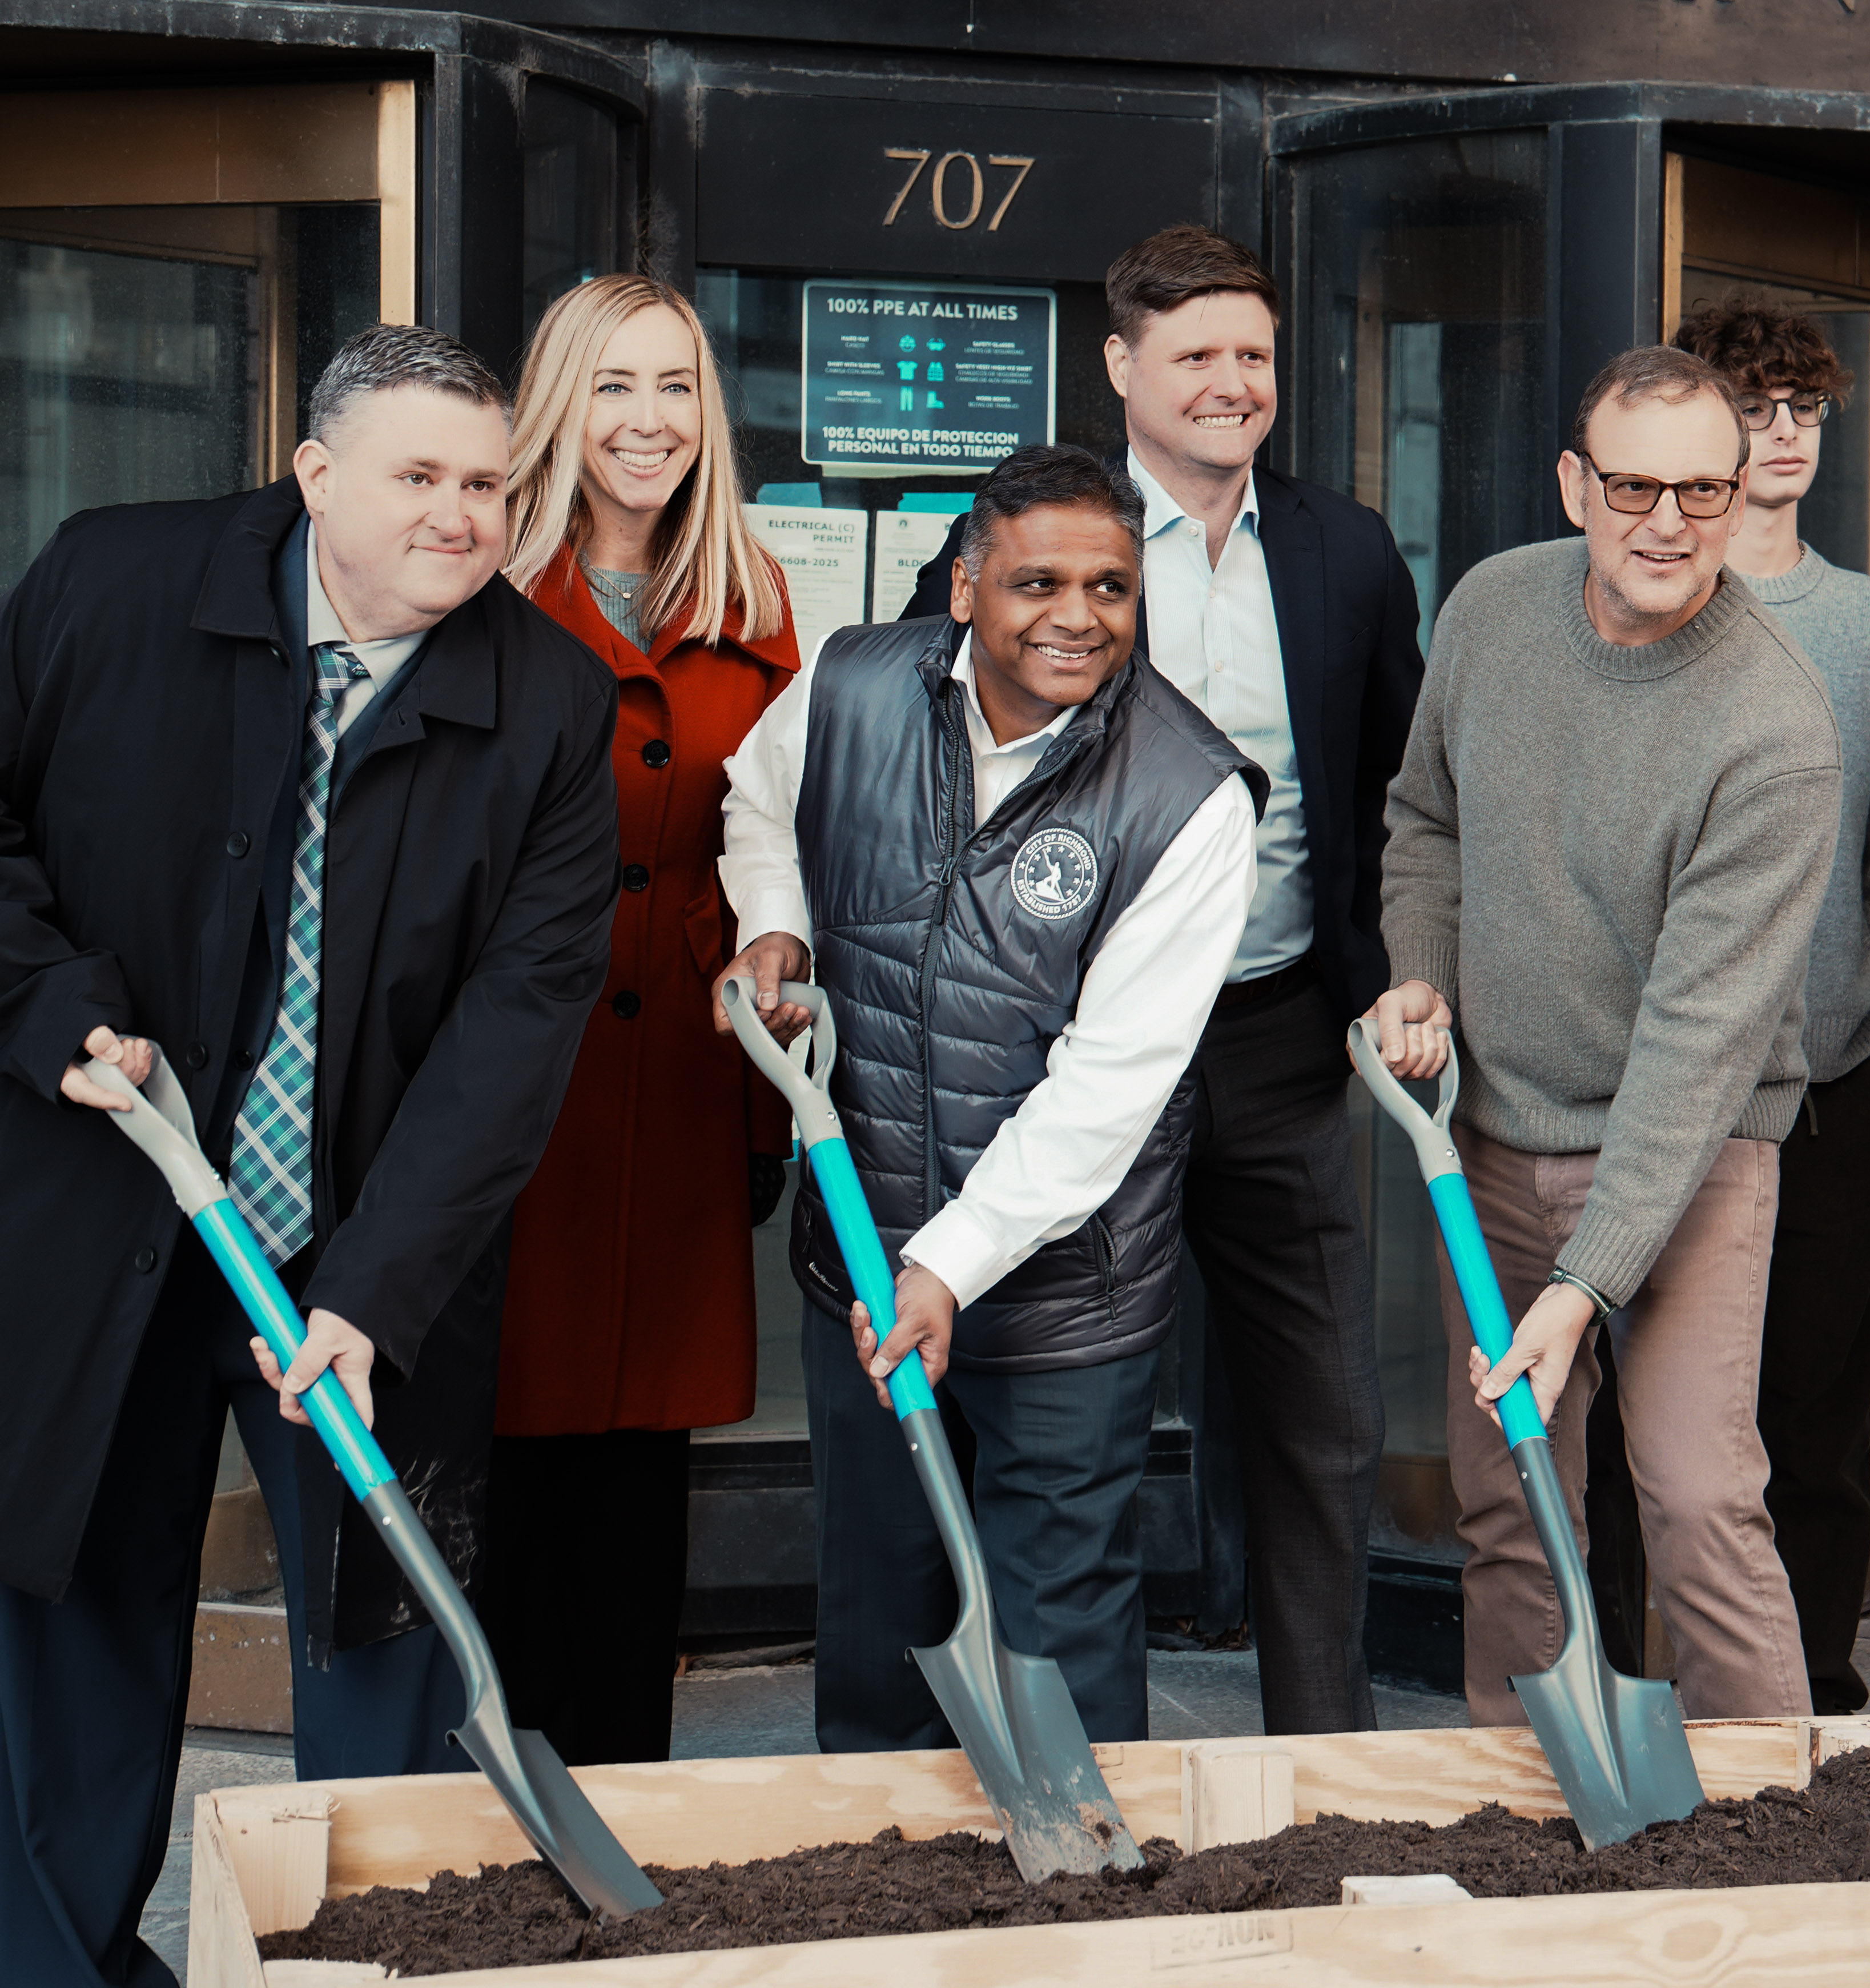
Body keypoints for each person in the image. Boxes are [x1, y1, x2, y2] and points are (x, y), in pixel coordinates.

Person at [0, 324, 619, 1988]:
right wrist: (47, 1002)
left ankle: (361, 1968)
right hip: (95, 1224)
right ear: (318, 474)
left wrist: (378, 1289)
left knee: (382, 1650)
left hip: (354, 1265)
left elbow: (520, 1020)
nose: (462, 516)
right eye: (419, 476)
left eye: (487, 483)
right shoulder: (112, 586)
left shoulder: (547, 699)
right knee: (90, 1634)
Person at [910, 226, 1423, 1732]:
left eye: (1254, 355)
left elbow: (1392, 789)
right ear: (1122, 366)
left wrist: (1384, 980)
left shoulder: (1343, 550)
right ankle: (1075, 1751)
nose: (1232, 383)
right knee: (1075, 1416)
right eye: (1195, 353)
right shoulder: (1038, 537)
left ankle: (1321, 1761)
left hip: (1275, 1041)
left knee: (1321, 1420)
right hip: (1067, 1057)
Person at [717, 443, 1259, 1753]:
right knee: (879, 1625)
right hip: (861, 1253)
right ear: (964, 587)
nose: (1077, 616)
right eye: (1038, 582)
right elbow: (755, 801)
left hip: (1070, 1298)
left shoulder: (1190, 795)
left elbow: (1111, 1088)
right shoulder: (847, 684)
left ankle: (1074, 1925)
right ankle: (885, 1920)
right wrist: (775, 930)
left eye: (1111, 587)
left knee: (1056, 1638)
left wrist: (948, 1268)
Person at [1367, 344, 1839, 1727]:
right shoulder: (1492, 609)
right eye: (1634, 483)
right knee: (1509, 1482)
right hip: (1494, 1135)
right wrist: (1420, 977)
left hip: (1688, 1157)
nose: (1667, 522)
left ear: (1740, 489)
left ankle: (1776, 1831)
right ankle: (1526, 1791)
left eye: (1703, 488)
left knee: (1697, 1494)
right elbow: (1426, 822)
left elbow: (1698, 1055)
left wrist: (1581, 1290)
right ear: (1576, 484)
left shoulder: (1773, 725)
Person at [1591, 294, 1870, 1717]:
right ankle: (1615, 1676)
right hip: (1650, 1088)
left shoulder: (1867, 626)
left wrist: (1868, 1031)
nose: (1785, 435)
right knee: (1622, 1408)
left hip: (1825, 1089)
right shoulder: (1629, 601)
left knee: (1811, 1410)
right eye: (1758, 409)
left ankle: (1815, 1687)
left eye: (1806, 411)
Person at [485, 273, 802, 1766]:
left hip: (683, 1067)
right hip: (511, 1068)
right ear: (560, 400)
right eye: (615, 384)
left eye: (676, 386)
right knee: (510, 1452)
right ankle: (491, 1801)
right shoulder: (482, 573)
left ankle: (618, 1804)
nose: (650, 419)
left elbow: (785, 827)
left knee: (641, 1471)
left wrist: (773, 988)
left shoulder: (750, 593)